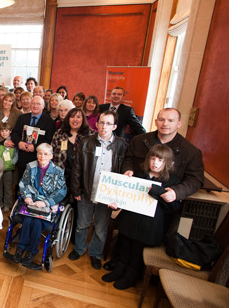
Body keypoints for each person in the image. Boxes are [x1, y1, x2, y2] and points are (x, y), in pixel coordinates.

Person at [104, 145, 181, 290]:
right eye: (153, 158)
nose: (155, 163)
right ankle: (118, 270)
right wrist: (116, 204)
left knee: (137, 252)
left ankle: (130, 276)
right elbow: (126, 195)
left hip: (149, 225)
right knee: (124, 246)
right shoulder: (139, 174)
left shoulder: (172, 182)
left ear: (167, 163)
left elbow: (173, 208)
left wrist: (159, 192)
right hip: (130, 219)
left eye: (160, 160)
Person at [68, 110, 127, 270]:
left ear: (114, 126)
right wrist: (76, 191)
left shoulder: (121, 145)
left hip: (107, 195)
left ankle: (95, 254)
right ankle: (79, 249)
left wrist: (118, 196)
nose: (104, 127)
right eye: (101, 122)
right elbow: (77, 168)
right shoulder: (86, 142)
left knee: (101, 228)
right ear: (97, 123)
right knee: (82, 224)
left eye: (108, 123)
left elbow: (124, 170)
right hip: (87, 190)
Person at [122, 108, 204, 204]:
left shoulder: (190, 151)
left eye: (171, 120)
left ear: (179, 124)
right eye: (161, 120)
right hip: (135, 197)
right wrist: (127, 169)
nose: (165, 124)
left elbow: (195, 179)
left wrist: (176, 192)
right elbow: (128, 159)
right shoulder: (138, 140)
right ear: (156, 122)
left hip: (164, 204)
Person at [8, 143, 67, 269]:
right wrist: (27, 196)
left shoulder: (58, 171)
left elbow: (62, 191)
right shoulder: (31, 166)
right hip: (31, 203)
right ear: (37, 154)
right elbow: (23, 183)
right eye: (40, 153)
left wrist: (46, 202)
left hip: (46, 206)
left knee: (37, 222)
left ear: (51, 156)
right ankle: (20, 248)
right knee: (29, 218)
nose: (42, 156)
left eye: (45, 154)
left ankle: (31, 250)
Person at [11, 96, 56, 178]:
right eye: (33, 103)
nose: (35, 106)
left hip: (38, 158)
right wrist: (19, 142)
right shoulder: (22, 118)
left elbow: (49, 140)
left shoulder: (49, 122)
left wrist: (35, 147)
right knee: (21, 182)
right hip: (22, 157)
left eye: (38, 104)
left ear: (43, 106)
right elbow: (15, 133)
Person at [0, 123, 18, 212]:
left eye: (6, 131)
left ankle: (8, 204)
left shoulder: (13, 143)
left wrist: (12, 163)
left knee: (8, 187)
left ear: (10, 131)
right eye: (2, 131)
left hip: (9, 169)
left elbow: (16, 154)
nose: (4, 133)